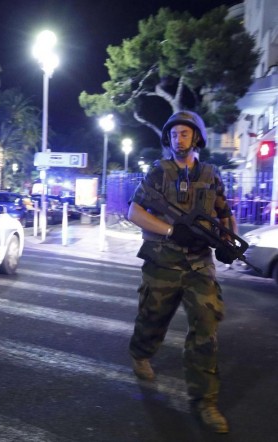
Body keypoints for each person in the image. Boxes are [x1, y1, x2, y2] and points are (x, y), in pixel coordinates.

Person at [127, 111, 236, 434]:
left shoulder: (210, 174)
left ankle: (205, 402)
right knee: (152, 319)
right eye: (174, 134)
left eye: (185, 133)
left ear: (196, 137)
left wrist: (229, 241)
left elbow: (224, 213)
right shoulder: (159, 172)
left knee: (206, 328)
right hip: (163, 262)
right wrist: (172, 231)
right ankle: (141, 353)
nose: (179, 138)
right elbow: (134, 211)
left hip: (200, 264)